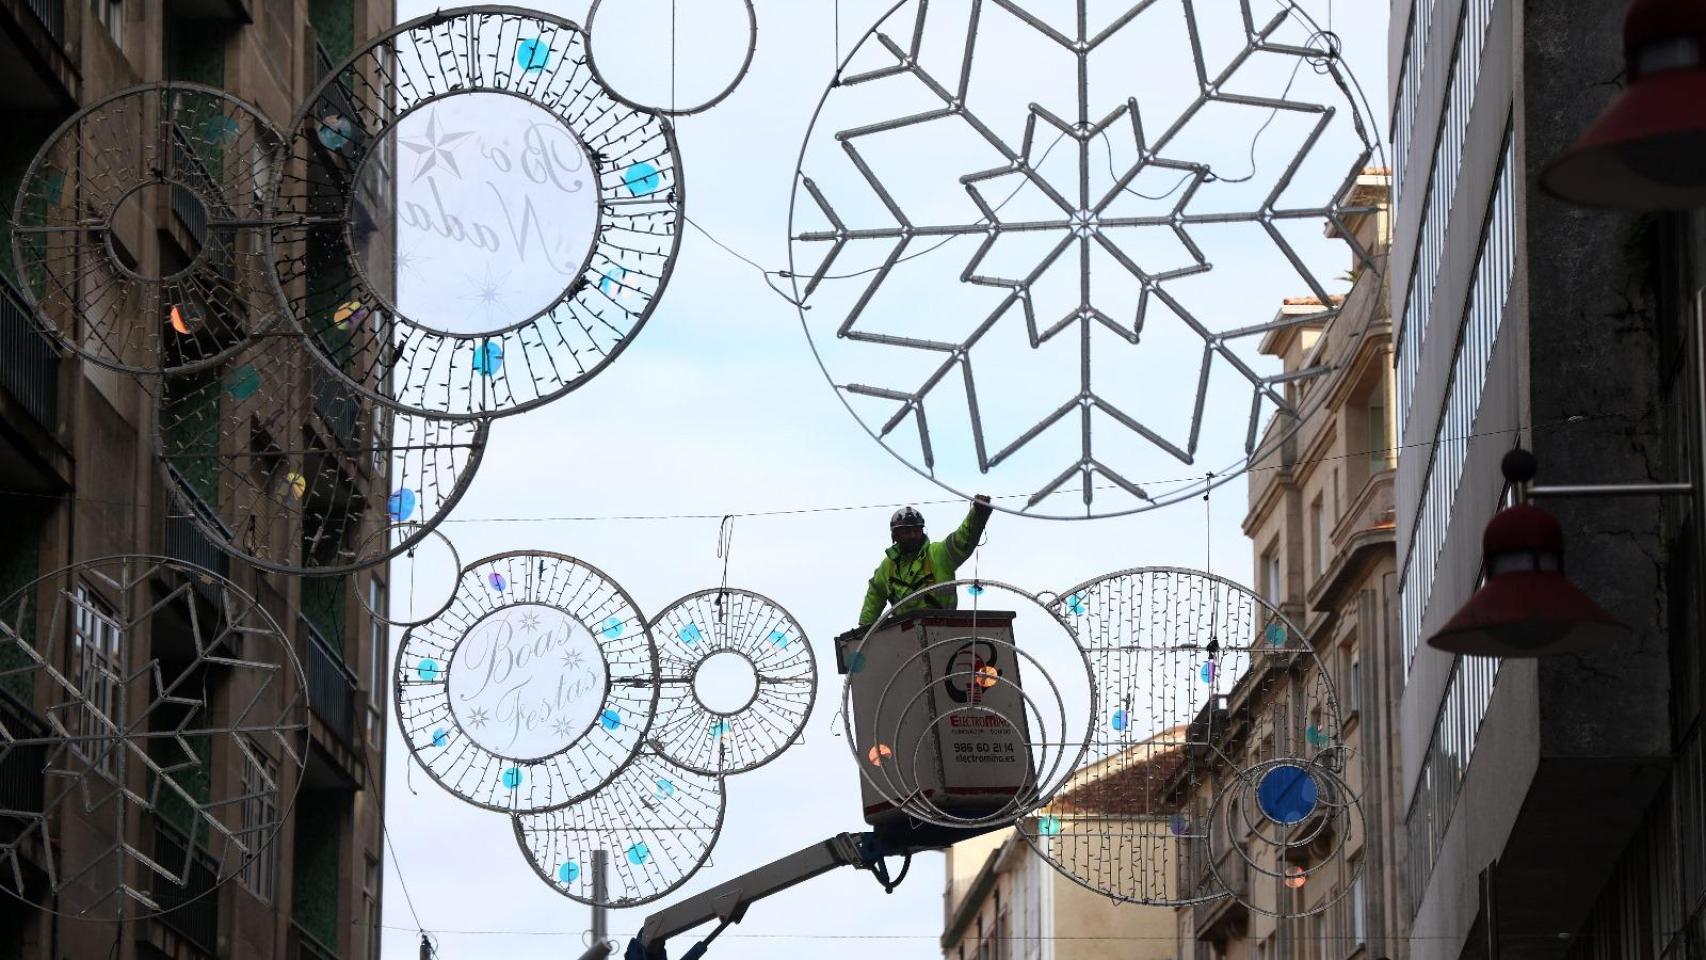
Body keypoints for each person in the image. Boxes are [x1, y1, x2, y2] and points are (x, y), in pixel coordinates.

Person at [858, 495, 994, 627]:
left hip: (943, 628)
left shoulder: (938, 554)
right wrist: (863, 631)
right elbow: (875, 594)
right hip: (905, 636)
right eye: (906, 532)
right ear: (895, 536)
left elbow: (962, 540)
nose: (912, 535)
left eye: (917, 530)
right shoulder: (888, 566)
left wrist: (978, 513)